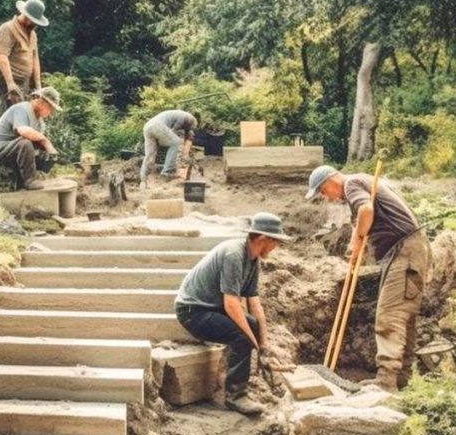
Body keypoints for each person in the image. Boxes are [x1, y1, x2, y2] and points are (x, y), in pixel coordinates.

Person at [306, 165, 431, 392]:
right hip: (412, 250)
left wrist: (358, 240)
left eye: (323, 191)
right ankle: (402, 377)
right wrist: (356, 247)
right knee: (404, 315)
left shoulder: (351, 184)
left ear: (332, 179)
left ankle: (386, 380)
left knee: (389, 315)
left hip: (405, 252)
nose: (327, 197)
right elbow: (362, 218)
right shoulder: (362, 181)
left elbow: (366, 210)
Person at [174, 212, 292, 416]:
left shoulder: (253, 259)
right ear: (263, 239)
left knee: (251, 326)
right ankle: (235, 396)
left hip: (213, 307)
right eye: (275, 243)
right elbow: (231, 304)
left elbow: (254, 303)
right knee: (241, 335)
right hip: (194, 311)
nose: (276, 248)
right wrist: (253, 343)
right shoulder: (234, 254)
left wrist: (264, 347)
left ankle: (236, 378)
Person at [0, 87, 62, 190]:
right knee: (26, 142)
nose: (51, 112)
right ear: (41, 101)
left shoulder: (40, 123)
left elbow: (35, 144)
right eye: (51, 107)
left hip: (14, 148)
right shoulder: (21, 109)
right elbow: (23, 131)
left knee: (40, 148)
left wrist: (49, 157)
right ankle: (30, 181)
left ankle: (28, 180)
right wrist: (46, 141)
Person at [0, 0, 48, 115]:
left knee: (24, 117)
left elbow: (35, 59)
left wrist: (38, 85)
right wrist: (10, 84)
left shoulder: (32, 35)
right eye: (33, 21)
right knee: (10, 116)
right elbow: (1, 57)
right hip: (7, 82)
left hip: (24, 82)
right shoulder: (7, 28)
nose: (35, 24)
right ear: (26, 16)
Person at [139, 109, 199, 190]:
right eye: (192, 128)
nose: (191, 129)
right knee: (176, 142)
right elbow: (177, 127)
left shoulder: (175, 115)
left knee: (149, 155)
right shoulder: (189, 118)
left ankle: (143, 181)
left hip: (147, 127)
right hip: (157, 125)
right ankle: (167, 172)